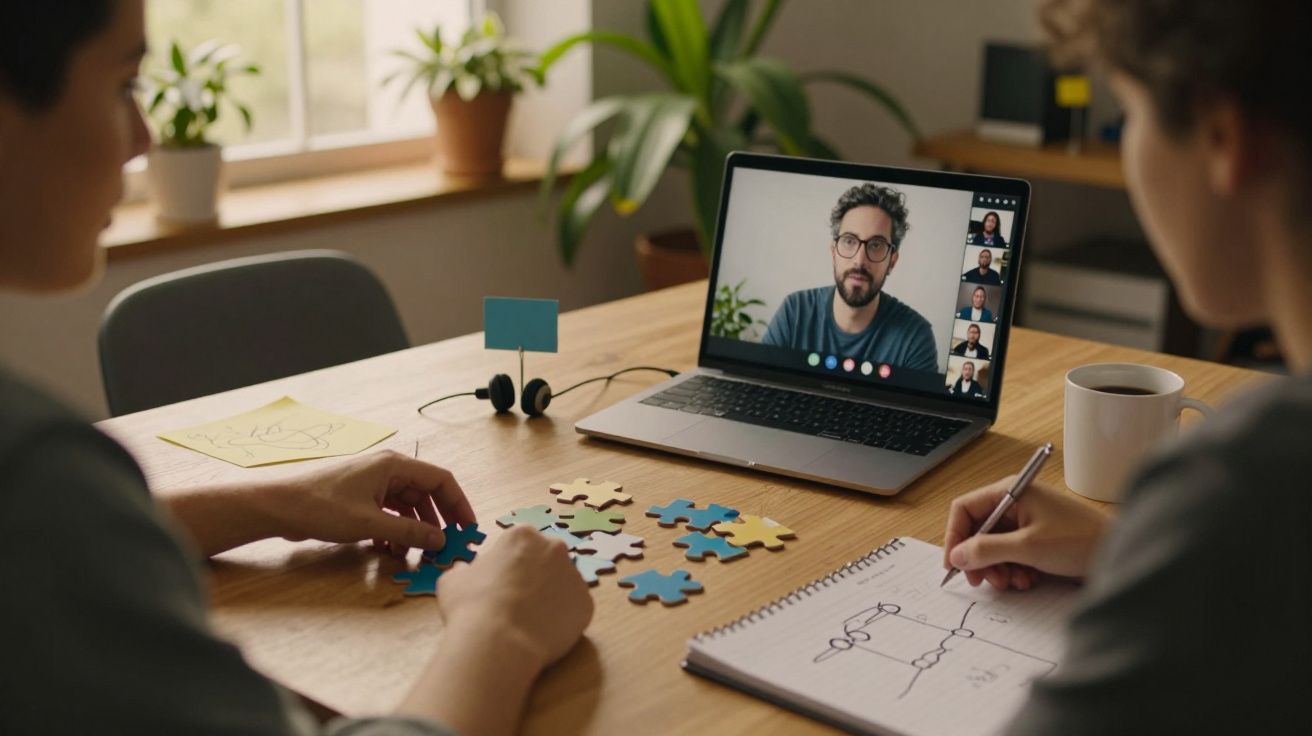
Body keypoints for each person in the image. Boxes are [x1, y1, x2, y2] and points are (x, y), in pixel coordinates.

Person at [0, 2, 593, 734]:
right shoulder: (36, 477)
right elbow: (49, 530)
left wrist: (280, 501)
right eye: (125, 84)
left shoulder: (46, 503)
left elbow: (59, 550)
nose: (144, 138)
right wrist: (502, 629)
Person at [942, 0, 1311, 733]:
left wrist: (1188, 540)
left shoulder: (1254, 483)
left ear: (1221, 135)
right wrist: (1131, 550)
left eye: (1129, 113)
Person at [761, 183, 939, 372]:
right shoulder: (795, 312)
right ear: (833, 253)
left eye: (876, 245)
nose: (859, 261)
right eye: (849, 241)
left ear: (892, 262)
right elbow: (760, 385)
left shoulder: (915, 337)